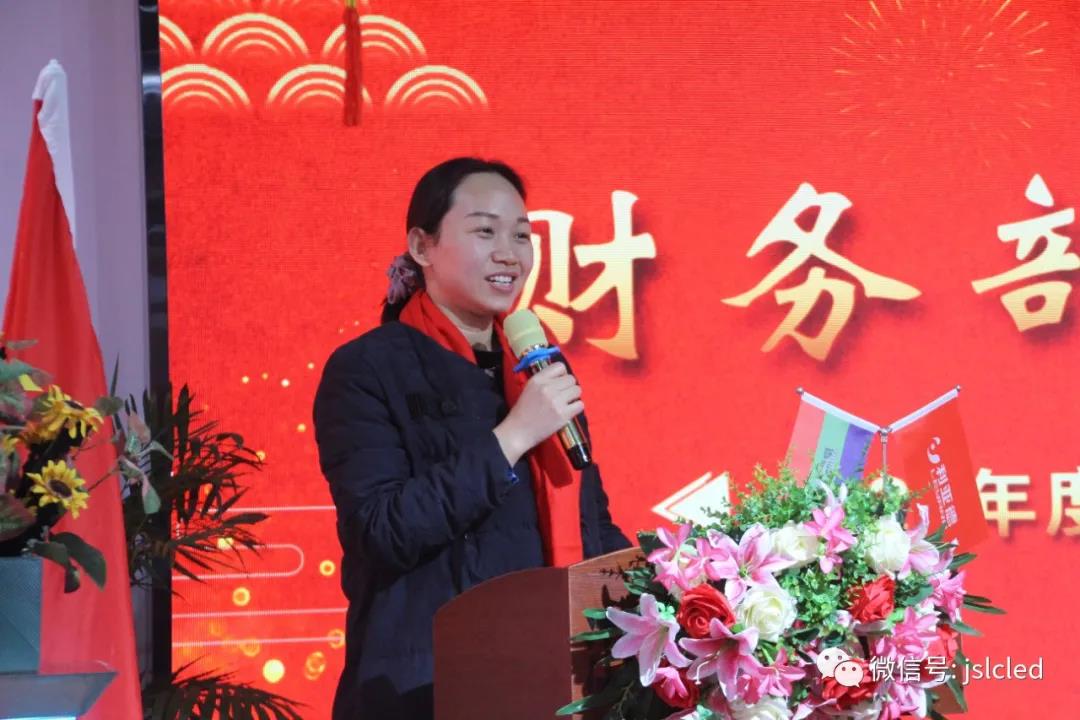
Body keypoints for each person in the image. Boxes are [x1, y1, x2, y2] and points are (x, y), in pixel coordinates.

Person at [312, 157, 630, 719]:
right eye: (485, 231)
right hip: (425, 686)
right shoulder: (366, 369)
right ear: (422, 246)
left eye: (522, 235)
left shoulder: (539, 368)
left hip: (551, 679)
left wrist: (665, 587)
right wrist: (513, 436)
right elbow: (380, 531)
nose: (510, 253)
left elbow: (592, 523)